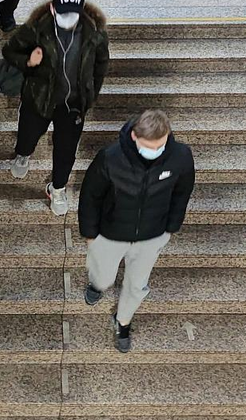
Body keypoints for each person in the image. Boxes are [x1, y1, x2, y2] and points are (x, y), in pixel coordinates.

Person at [78, 110, 196, 353]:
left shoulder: (180, 157)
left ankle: (123, 321)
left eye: (160, 145)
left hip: (151, 235)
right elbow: (90, 197)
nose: (154, 151)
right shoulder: (110, 158)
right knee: (102, 276)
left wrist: (171, 227)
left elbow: (182, 193)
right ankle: (97, 285)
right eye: (148, 146)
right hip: (111, 233)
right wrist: (90, 234)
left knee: (137, 285)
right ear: (134, 136)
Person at [2, 0, 110, 216]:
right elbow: (9, 51)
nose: (67, 21)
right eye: (62, 15)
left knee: (66, 150)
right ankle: (23, 155)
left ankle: (57, 187)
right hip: (40, 97)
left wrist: (91, 95)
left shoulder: (95, 34)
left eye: (72, 15)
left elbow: (101, 65)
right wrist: (29, 62)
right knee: (28, 135)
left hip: (73, 104)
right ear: (52, 9)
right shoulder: (36, 29)